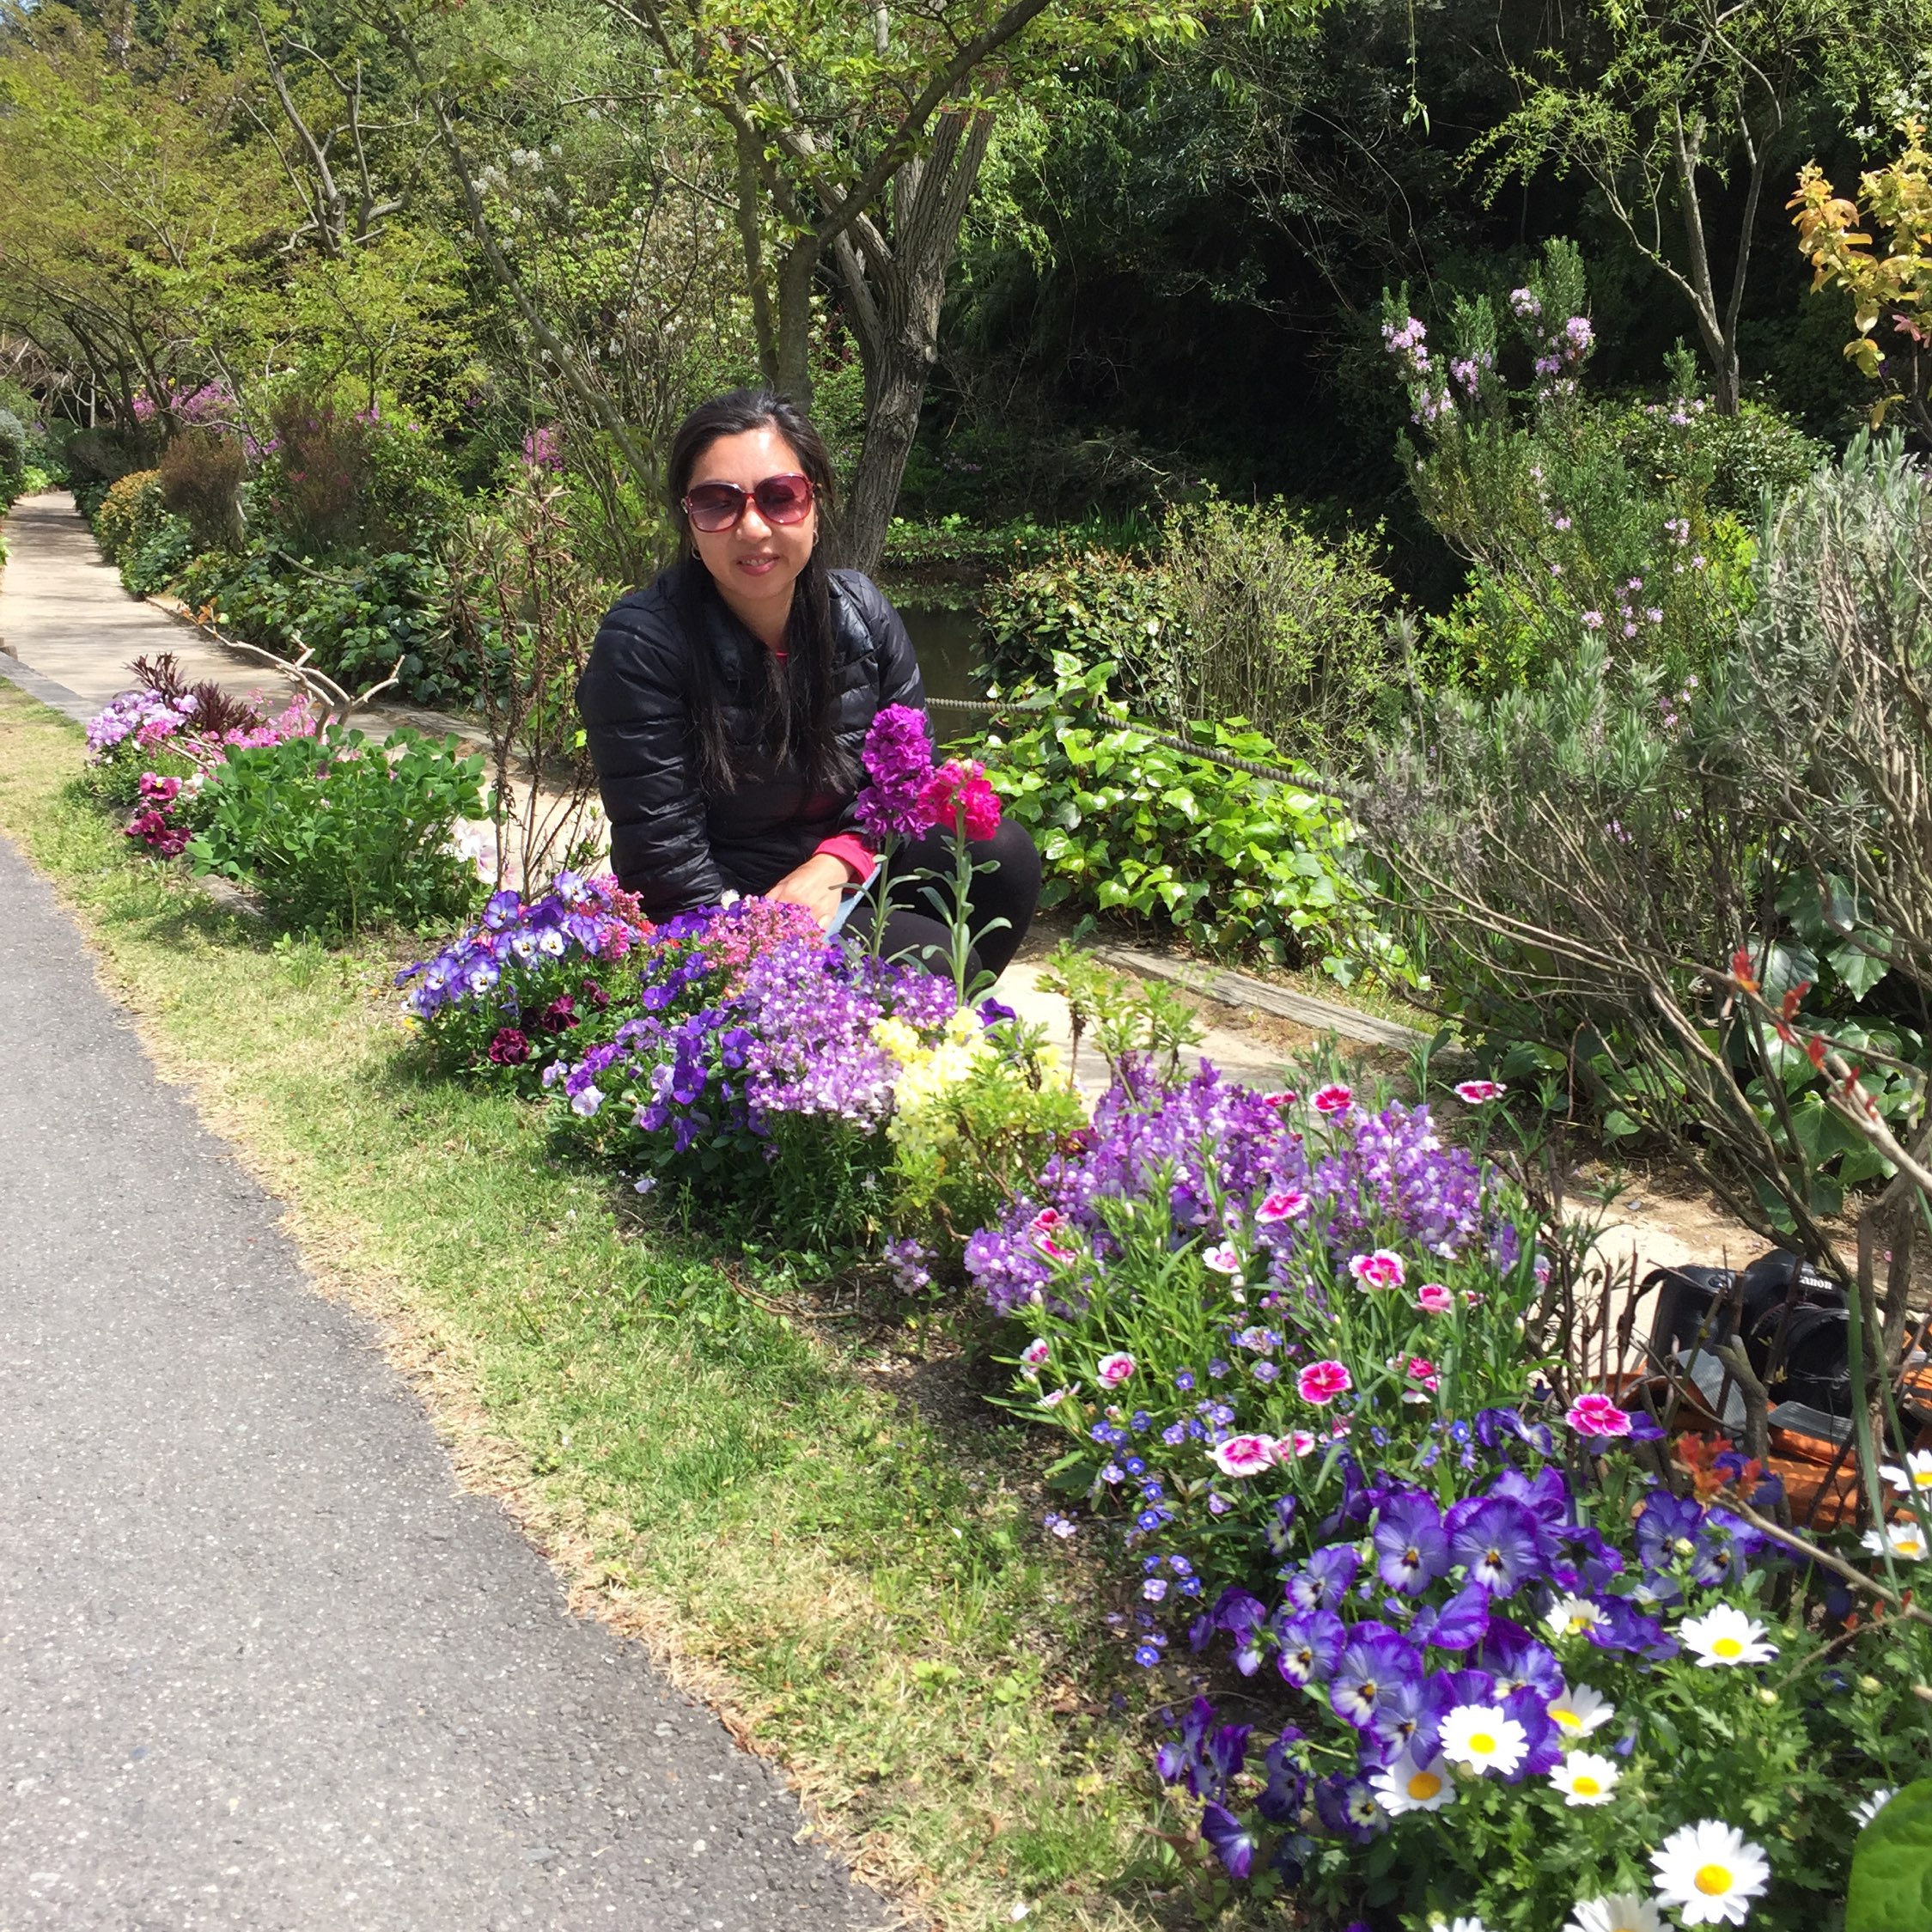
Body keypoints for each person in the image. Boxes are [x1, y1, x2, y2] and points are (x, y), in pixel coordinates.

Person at [576, 387, 1039, 984]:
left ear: (814, 506)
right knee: (934, 959)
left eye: (779, 498)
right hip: (728, 908)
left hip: (843, 871)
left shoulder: (860, 614)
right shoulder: (642, 645)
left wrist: (835, 863)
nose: (751, 526)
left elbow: (910, 788)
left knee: (999, 854)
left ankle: (918, 1059)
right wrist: (763, 929)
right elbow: (663, 867)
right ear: (689, 523)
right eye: (718, 503)